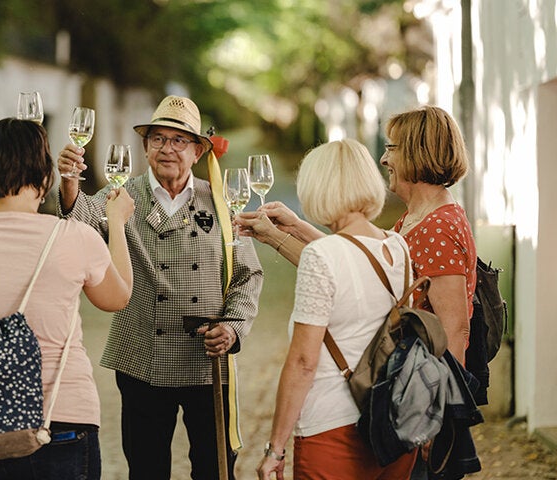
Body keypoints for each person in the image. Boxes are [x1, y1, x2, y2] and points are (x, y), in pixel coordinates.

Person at [57, 95, 264, 479]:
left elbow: (247, 274)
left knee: (215, 469)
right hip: (142, 357)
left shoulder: (220, 201)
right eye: (158, 139)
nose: (167, 148)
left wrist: (233, 327)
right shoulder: (122, 195)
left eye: (179, 140)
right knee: (147, 469)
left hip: (207, 359)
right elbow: (80, 219)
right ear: (146, 147)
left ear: (198, 151)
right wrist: (70, 182)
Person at [0, 117, 134, 479]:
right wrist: (116, 223)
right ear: (45, 175)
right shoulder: (74, 236)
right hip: (60, 417)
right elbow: (117, 298)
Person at [238, 105, 476, 364]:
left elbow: (455, 331)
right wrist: (295, 226)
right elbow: (355, 261)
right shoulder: (418, 217)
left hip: (419, 380)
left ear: (417, 153)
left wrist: (446, 391)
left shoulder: (437, 228)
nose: (383, 159)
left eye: (391, 148)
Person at [255, 139, 418, 480]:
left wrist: (275, 448)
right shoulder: (397, 245)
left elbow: (303, 362)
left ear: (317, 189)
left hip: (333, 431)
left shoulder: (322, 256)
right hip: (395, 422)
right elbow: (350, 257)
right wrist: (294, 227)